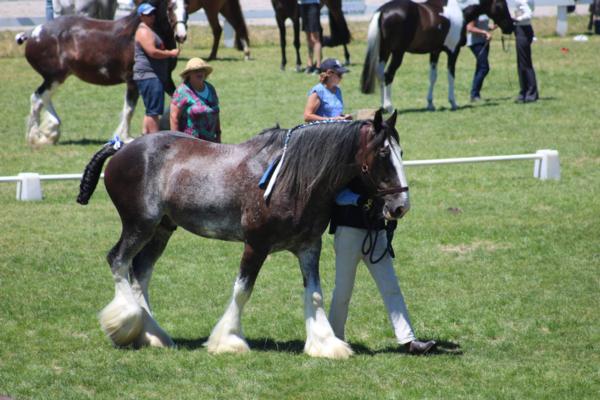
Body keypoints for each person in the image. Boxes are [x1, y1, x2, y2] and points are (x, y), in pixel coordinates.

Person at [328, 185, 437, 355]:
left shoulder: (383, 167)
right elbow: (336, 193)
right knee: (343, 291)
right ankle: (334, 339)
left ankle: (409, 340)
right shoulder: (346, 161)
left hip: (377, 233)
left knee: (391, 287)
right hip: (348, 232)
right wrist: (358, 199)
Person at [134, 3, 180, 134]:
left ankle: (145, 135)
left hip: (153, 75)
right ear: (141, 16)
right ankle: (155, 138)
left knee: (151, 109)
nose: (152, 16)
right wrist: (170, 53)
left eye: (153, 13)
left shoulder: (150, 30)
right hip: (149, 75)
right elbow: (152, 52)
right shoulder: (143, 31)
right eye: (148, 14)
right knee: (154, 111)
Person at [170, 57, 221, 142]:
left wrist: (218, 134)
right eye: (195, 70)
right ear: (188, 74)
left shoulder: (210, 88)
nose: (199, 72)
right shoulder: (182, 91)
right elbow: (174, 117)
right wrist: (176, 142)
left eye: (202, 70)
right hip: (190, 144)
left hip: (211, 142)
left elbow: (216, 113)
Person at [513, 0, 539, 103]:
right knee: (521, 63)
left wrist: (516, 19)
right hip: (521, 29)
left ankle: (531, 92)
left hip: (523, 29)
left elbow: (528, 14)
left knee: (525, 63)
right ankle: (524, 91)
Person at [466, 15, 496, 102]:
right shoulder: (476, 11)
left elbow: (484, 26)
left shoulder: (485, 10)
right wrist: (485, 32)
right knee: (484, 68)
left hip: (484, 42)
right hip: (476, 43)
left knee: (480, 67)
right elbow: (469, 28)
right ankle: (474, 94)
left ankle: (475, 95)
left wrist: (493, 27)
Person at [299, 0, 322, 74]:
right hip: (303, 5)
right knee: (308, 37)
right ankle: (310, 64)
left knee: (315, 37)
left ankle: (318, 66)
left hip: (313, 4)